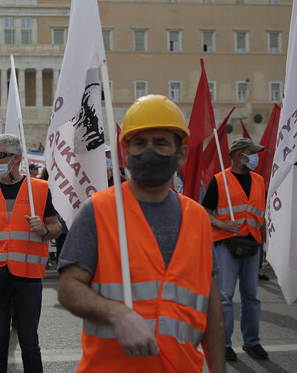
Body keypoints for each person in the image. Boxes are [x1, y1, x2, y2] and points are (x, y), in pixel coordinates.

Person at [57, 95, 225, 372]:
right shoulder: (98, 210)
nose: (148, 152)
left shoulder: (197, 217)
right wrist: (115, 312)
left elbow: (212, 306)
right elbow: (67, 288)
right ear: (126, 152)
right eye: (139, 143)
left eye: (160, 143)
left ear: (180, 153)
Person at [0, 133, 61, 373]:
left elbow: (57, 228)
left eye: (0, 155)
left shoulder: (40, 190)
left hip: (27, 278)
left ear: (17, 159)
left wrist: (44, 229)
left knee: (29, 343)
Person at [201, 137, 268, 361]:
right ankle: (224, 344)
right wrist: (221, 224)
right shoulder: (219, 181)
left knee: (251, 296)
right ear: (240, 155)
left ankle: (252, 342)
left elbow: (262, 216)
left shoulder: (259, 180)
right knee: (225, 298)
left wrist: (267, 247)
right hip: (226, 244)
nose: (256, 156)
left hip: (253, 245)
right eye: (253, 152)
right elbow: (205, 212)